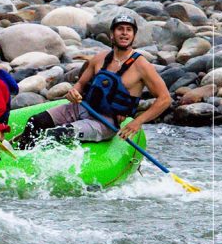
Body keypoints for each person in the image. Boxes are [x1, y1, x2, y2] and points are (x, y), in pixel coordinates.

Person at [16, 14, 171, 148]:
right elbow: (80, 84)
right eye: (120, 29)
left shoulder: (142, 66)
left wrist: (138, 122)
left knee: (59, 134)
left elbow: (165, 99)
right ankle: (19, 155)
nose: (124, 33)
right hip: (81, 108)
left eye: (129, 30)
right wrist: (73, 91)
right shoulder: (99, 58)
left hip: (105, 122)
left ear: (133, 36)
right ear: (112, 34)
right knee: (35, 122)